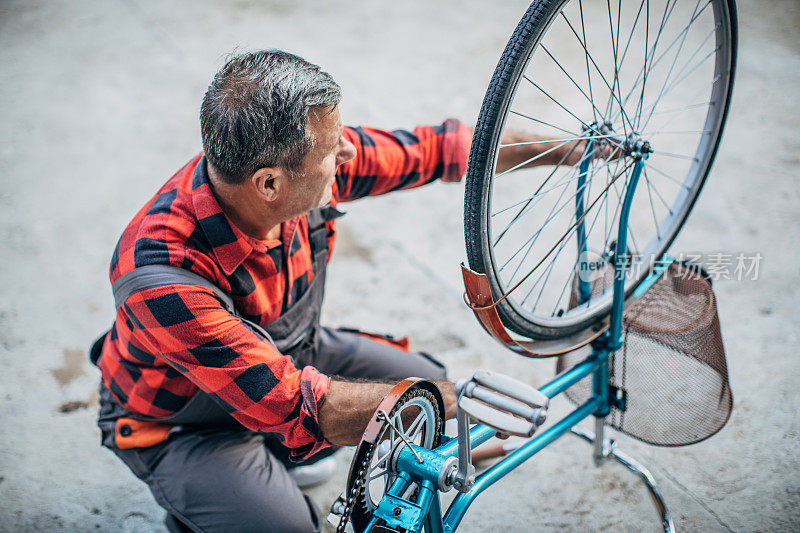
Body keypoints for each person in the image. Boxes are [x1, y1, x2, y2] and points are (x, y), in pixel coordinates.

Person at [91, 49, 590, 532]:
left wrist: (573, 149)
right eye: (334, 151)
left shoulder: (288, 163)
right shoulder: (158, 274)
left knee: (421, 383)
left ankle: (278, 458)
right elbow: (294, 402)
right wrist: (454, 402)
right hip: (188, 423)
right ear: (270, 185)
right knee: (287, 523)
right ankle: (201, 506)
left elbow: (440, 150)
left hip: (286, 355)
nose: (348, 152)